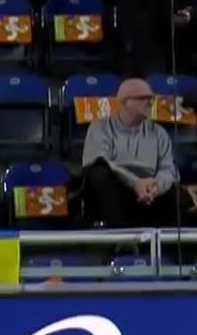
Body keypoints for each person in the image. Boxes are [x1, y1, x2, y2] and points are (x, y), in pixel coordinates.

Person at [79, 77, 185, 227]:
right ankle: (118, 239)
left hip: (149, 191)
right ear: (124, 102)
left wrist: (155, 187)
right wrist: (135, 183)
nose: (150, 102)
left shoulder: (159, 132)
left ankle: (165, 247)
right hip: (117, 186)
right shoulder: (100, 128)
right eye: (143, 98)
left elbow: (168, 169)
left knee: (180, 197)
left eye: (151, 98)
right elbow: (100, 161)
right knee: (98, 174)